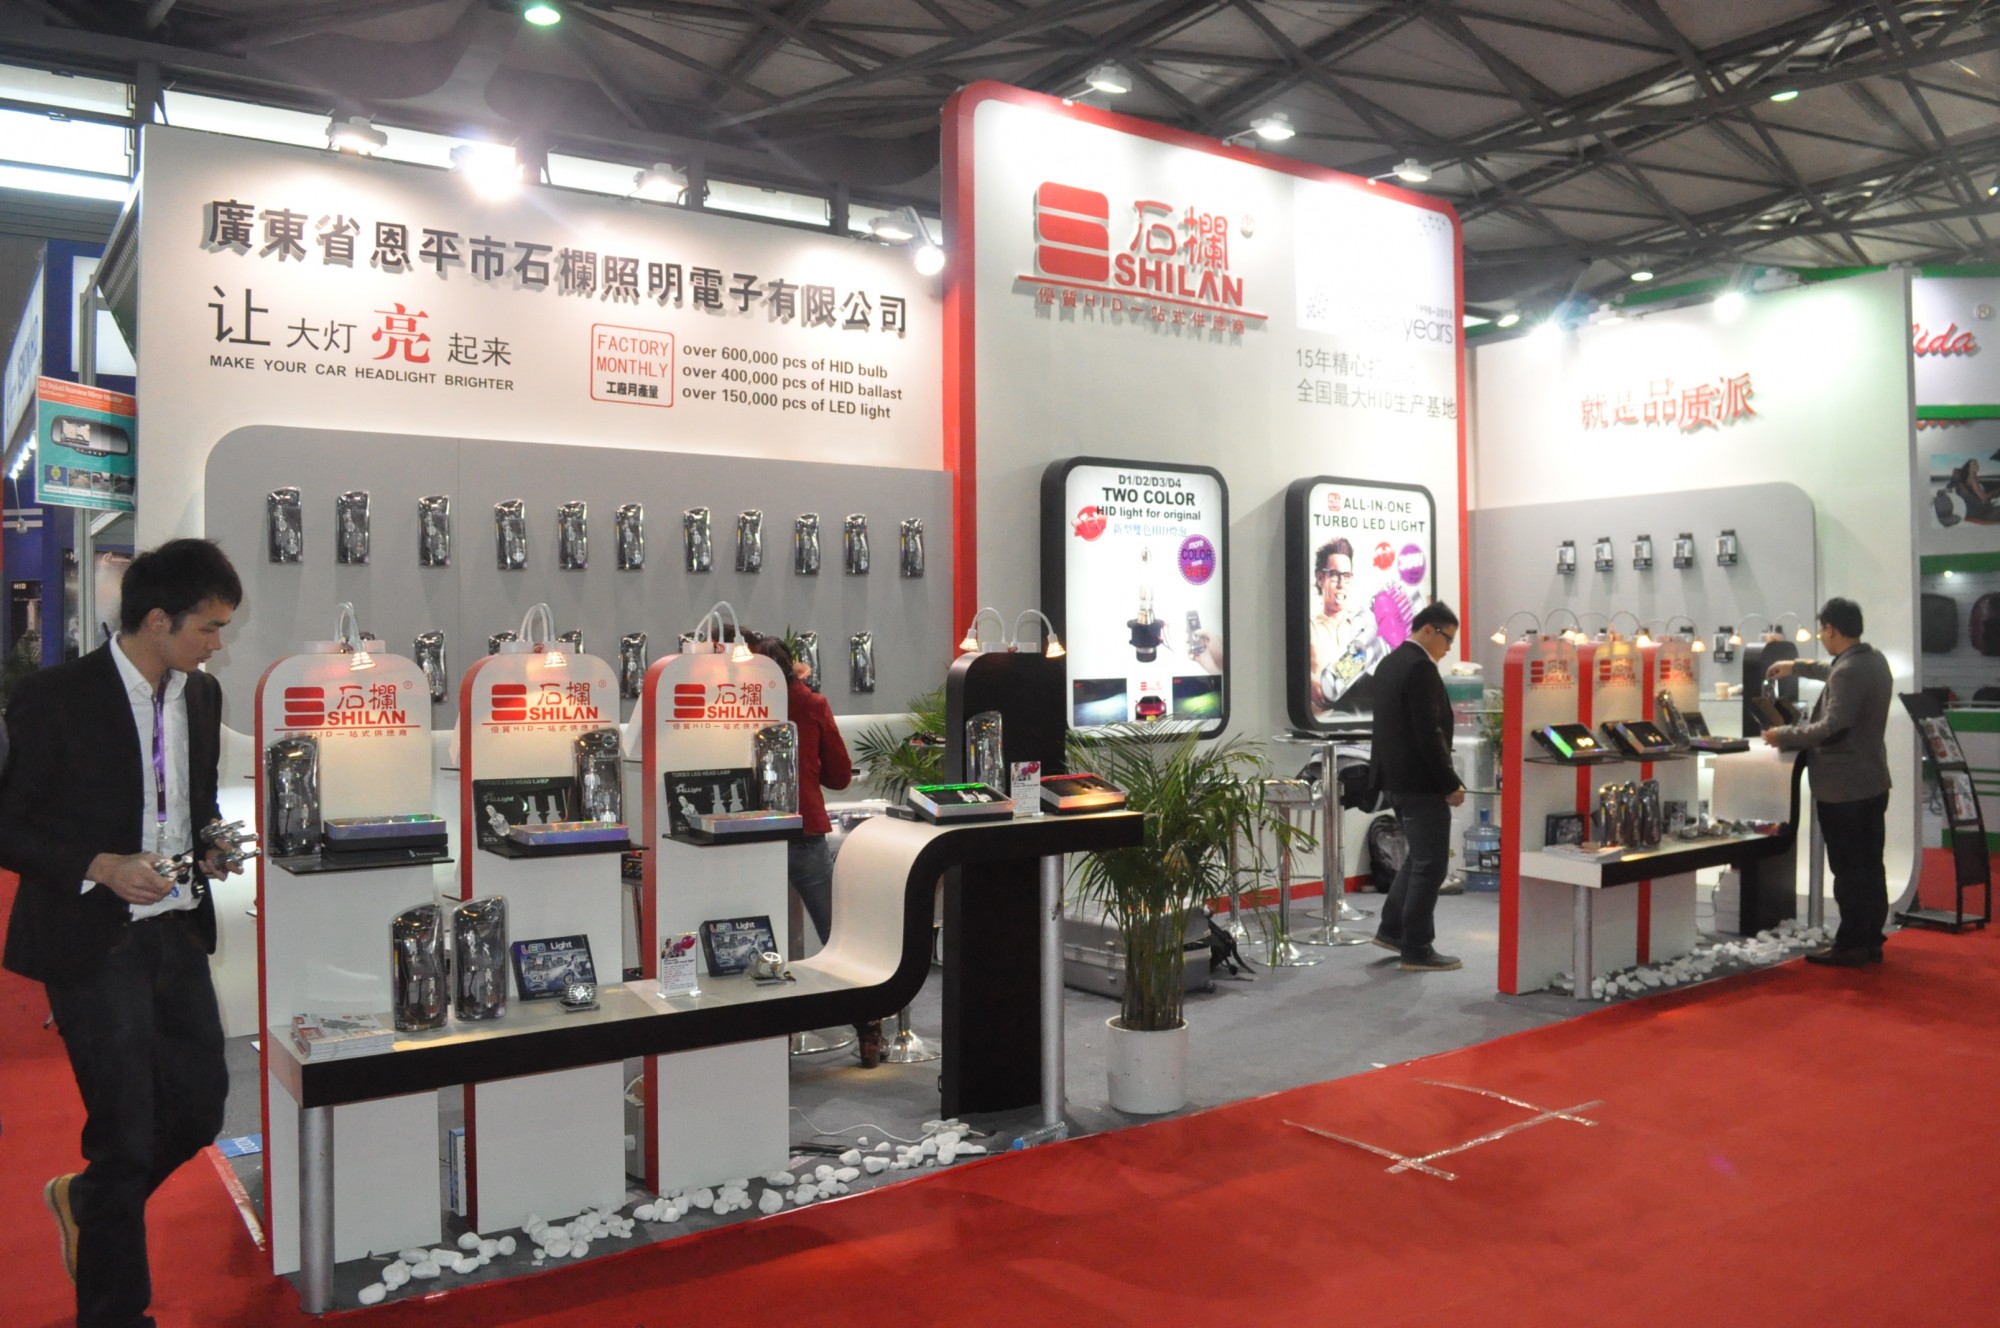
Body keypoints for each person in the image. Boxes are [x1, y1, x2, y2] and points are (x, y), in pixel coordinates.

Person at [0, 538, 244, 1328]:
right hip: (91, 938)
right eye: (209, 628)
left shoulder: (201, 697)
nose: (217, 645)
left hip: (176, 930)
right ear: (157, 619)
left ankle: (91, 1203)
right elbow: (10, 826)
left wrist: (210, 844)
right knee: (125, 1136)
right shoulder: (55, 697)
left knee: (200, 1109)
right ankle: (114, 1312)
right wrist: (100, 865)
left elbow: (196, 800)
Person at [745, 634, 877, 1061]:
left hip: (750, 838)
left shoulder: (737, 706)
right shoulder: (812, 704)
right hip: (804, 832)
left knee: (754, 936)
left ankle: (768, 1037)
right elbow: (839, 776)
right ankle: (869, 1030)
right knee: (837, 935)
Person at [1761, 597, 1894, 967]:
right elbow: (1832, 670)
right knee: (1871, 866)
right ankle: (1870, 938)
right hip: (1871, 781)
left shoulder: (1848, 672)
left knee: (1849, 870)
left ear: (1832, 629)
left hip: (1843, 788)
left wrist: (1783, 735)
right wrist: (1796, 666)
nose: (1820, 636)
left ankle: (1851, 944)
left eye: (1821, 630)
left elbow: (1833, 727)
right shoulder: (1874, 660)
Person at [1368, 602, 1466, 972]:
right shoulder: (1420, 667)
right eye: (1447, 638)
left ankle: (1392, 929)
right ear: (1428, 630)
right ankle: (1417, 948)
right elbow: (1428, 733)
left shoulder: (1389, 664)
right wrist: (1450, 781)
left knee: (1417, 859)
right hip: (1422, 782)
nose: (1449, 648)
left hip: (1397, 781)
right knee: (1432, 864)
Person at [1307, 537, 1393, 719]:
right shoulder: (1309, 629)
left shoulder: (1365, 626)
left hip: (1365, 721)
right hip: (1326, 723)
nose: (1341, 584)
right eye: (1334, 575)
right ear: (1320, 578)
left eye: (1346, 576)